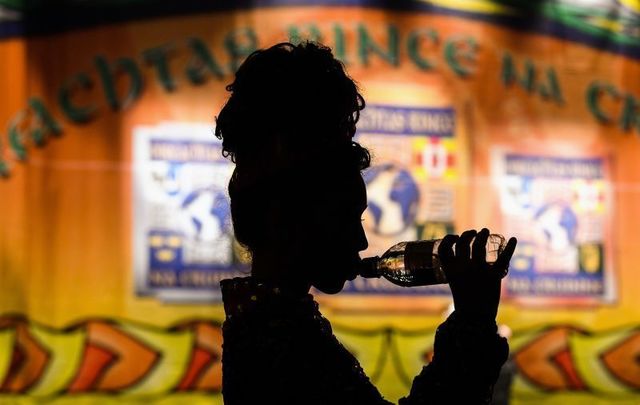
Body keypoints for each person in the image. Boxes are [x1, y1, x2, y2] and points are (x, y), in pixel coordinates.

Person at [215, 41, 517, 405]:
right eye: (345, 218)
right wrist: (472, 322)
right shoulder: (278, 342)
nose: (360, 242)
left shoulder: (271, 324)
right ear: (287, 218)